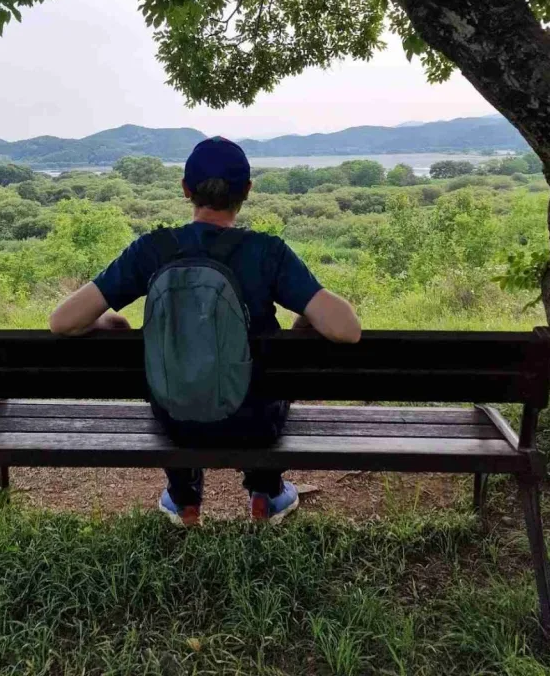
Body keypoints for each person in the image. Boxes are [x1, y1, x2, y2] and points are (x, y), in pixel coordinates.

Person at [50, 137, 362, 526]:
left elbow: (62, 321)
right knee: (266, 389)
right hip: (253, 422)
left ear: (185, 190)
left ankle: (184, 499)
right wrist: (304, 322)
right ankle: (266, 492)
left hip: (175, 420)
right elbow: (347, 329)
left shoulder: (152, 250)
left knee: (180, 380)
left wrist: (111, 323)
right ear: (247, 191)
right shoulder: (267, 252)